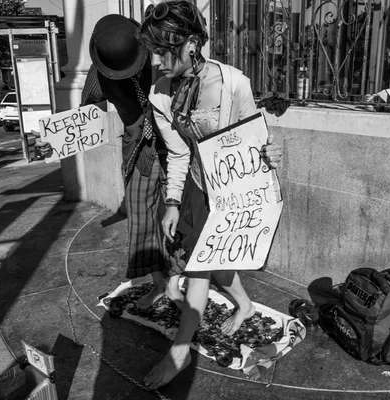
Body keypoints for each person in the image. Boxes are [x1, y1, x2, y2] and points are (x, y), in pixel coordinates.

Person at [138, 0, 284, 389]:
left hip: (233, 192)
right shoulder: (160, 92)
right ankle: (246, 304)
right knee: (211, 261)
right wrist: (171, 202)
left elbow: (256, 143)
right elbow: (180, 151)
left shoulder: (233, 83)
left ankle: (180, 350)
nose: (156, 60)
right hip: (197, 188)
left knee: (198, 267)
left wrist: (273, 152)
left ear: (189, 44)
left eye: (162, 50)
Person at [83, 14, 184, 309]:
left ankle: (176, 280)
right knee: (141, 222)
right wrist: (59, 138)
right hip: (138, 153)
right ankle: (157, 283)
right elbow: (85, 114)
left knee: (180, 219)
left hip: (175, 149)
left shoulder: (162, 59)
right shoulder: (99, 73)